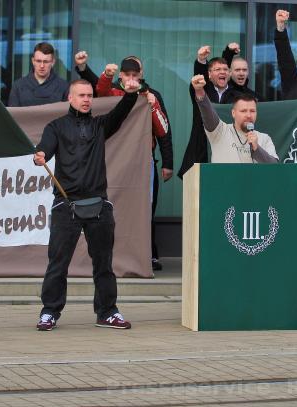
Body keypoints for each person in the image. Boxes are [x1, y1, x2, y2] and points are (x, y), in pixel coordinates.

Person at [33, 78, 141, 331]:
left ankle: (107, 312)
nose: (85, 100)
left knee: (103, 264)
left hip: (98, 205)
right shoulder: (56, 127)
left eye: (89, 95)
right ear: (70, 98)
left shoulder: (100, 126)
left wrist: (130, 94)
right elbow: (45, 149)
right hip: (66, 205)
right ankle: (49, 312)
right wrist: (40, 155)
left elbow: (121, 113)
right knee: (58, 264)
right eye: (80, 95)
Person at [94, 56, 173, 272]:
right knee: (113, 206)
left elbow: (164, 129)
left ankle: (149, 255)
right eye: (126, 75)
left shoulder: (151, 94)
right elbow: (99, 94)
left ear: (141, 75)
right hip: (115, 159)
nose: (130, 79)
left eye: (134, 75)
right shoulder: (112, 90)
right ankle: (112, 255)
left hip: (143, 160)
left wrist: (168, 162)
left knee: (146, 208)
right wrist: (105, 76)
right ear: (120, 75)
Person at [191, 74, 277, 163]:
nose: (248, 115)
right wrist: (199, 90)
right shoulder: (220, 131)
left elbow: (275, 169)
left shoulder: (264, 138)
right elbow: (207, 113)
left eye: (252, 111)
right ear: (233, 113)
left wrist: (257, 148)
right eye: (243, 111)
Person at [177, 46, 231, 178]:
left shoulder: (236, 95)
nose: (222, 72)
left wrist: (229, 52)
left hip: (227, 153)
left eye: (225, 69)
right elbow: (198, 80)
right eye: (217, 69)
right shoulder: (202, 90)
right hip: (201, 150)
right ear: (209, 75)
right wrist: (201, 60)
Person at [7, 42, 69, 107]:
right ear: (33, 61)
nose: (42, 66)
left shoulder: (63, 86)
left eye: (46, 61)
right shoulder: (18, 86)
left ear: (53, 62)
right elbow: (12, 115)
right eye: (38, 61)